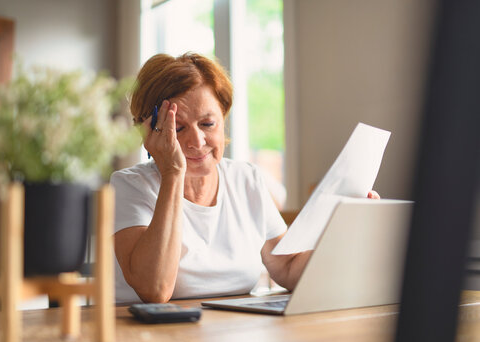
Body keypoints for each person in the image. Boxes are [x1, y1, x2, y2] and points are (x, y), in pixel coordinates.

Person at [111, 52, 379, 304]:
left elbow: (288, 268)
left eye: (208, 124)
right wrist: (172, 173)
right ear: (148, 134)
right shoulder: (129, 186)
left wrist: (345, 225)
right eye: (178, 128)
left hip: (236, 334)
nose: (196, 141)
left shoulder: (246, 179)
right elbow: (155, 289)